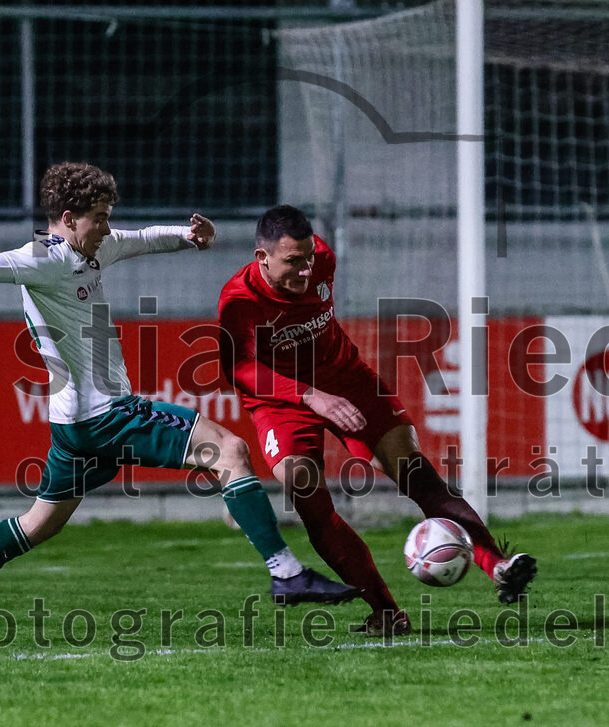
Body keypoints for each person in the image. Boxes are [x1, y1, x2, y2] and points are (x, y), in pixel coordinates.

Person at [0, 163, 357, 643]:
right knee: (228, 450)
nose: (106, 226)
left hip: (72, 427)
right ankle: (286, 572)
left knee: (39, 523)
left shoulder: (92, 248)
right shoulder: (42, 258)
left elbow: (140, 239)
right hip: (105, 414)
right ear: (70, 217)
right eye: (99, 217)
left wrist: (188, 237)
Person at [217, 204, 537, 636]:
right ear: (262, 259)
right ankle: (385, 611)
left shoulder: (323, 259)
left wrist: (329, 391)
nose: (306, 270)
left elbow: (313, 269)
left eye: (308, 258)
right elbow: (239, 369)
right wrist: (310, 396)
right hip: (282, 401)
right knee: (304, 488)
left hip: (347, 380)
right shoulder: (239, 301)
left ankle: (496, 565)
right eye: (292, 261)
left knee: (413, 470)